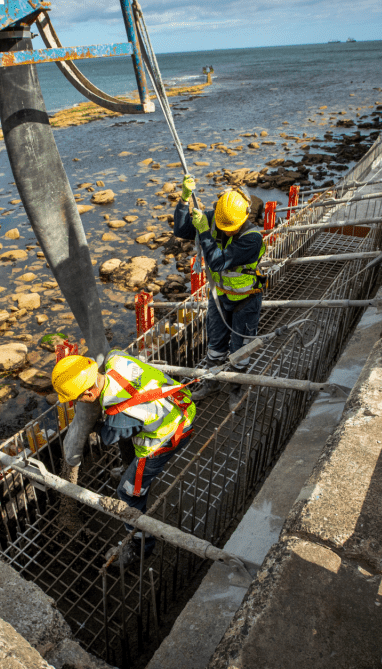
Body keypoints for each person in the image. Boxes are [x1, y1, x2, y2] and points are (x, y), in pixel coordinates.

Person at [51, 351, 195, 569]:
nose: (76, 403)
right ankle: (130, 468)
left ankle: (139, 546)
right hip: (181, 405)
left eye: (76, 399)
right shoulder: (115, 359)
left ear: (89, 394)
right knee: (130, 438)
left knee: (127, 492)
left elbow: (109, 436)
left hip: (167, 436)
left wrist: (90, 424)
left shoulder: (120, 414)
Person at [172, 176, 266, 401]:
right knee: (215, 345)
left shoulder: (253, 239)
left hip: (246, 300)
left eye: (231, 228)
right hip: (219, 298)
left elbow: (217, 261)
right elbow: (182, 230)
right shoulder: (217, 219)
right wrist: (184, 199)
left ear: (245, 216)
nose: (228, 231)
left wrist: (204, 232)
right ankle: (211, 386)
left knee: (240, 351)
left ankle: (236, 389)